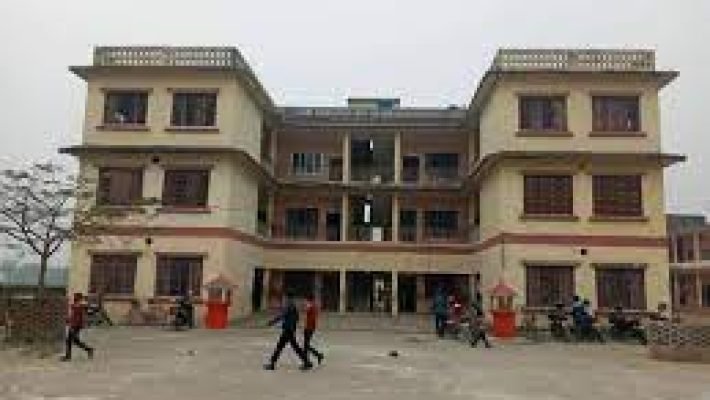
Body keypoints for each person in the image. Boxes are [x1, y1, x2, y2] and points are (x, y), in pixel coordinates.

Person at [264, 292, 312, 371]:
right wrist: (293, 326)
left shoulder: (289, 306)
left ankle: (272, 364)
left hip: (288, 330)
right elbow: (297, 318)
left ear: (288, 297)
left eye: (285, 297)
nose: (284, 299)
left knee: (280, 347)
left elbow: (281, 315)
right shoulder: (293, 306)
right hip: (290, 330)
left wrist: (272, 322)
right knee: (293, 347)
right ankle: (307, 362)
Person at [61, 293, 94, 362]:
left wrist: (72, 326)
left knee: (72, 340)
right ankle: (88, 350)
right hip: (74, 325)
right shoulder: (75, 306)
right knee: (72, 340)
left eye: (75, 297)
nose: (73, 299)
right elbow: (72, 316)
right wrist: (69, 321)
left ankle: (88, 350)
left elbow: (78, 318)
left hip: (75, 326)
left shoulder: (79, 307)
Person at [303, 293, 324, 365]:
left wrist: (307, 306)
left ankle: (307, 361)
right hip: (311, 327)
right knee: (306, 345)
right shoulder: (314, 306)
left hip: (309, 327)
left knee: (306, 345)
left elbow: (308, 313)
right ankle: (317, 356)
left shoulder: (311, 306)